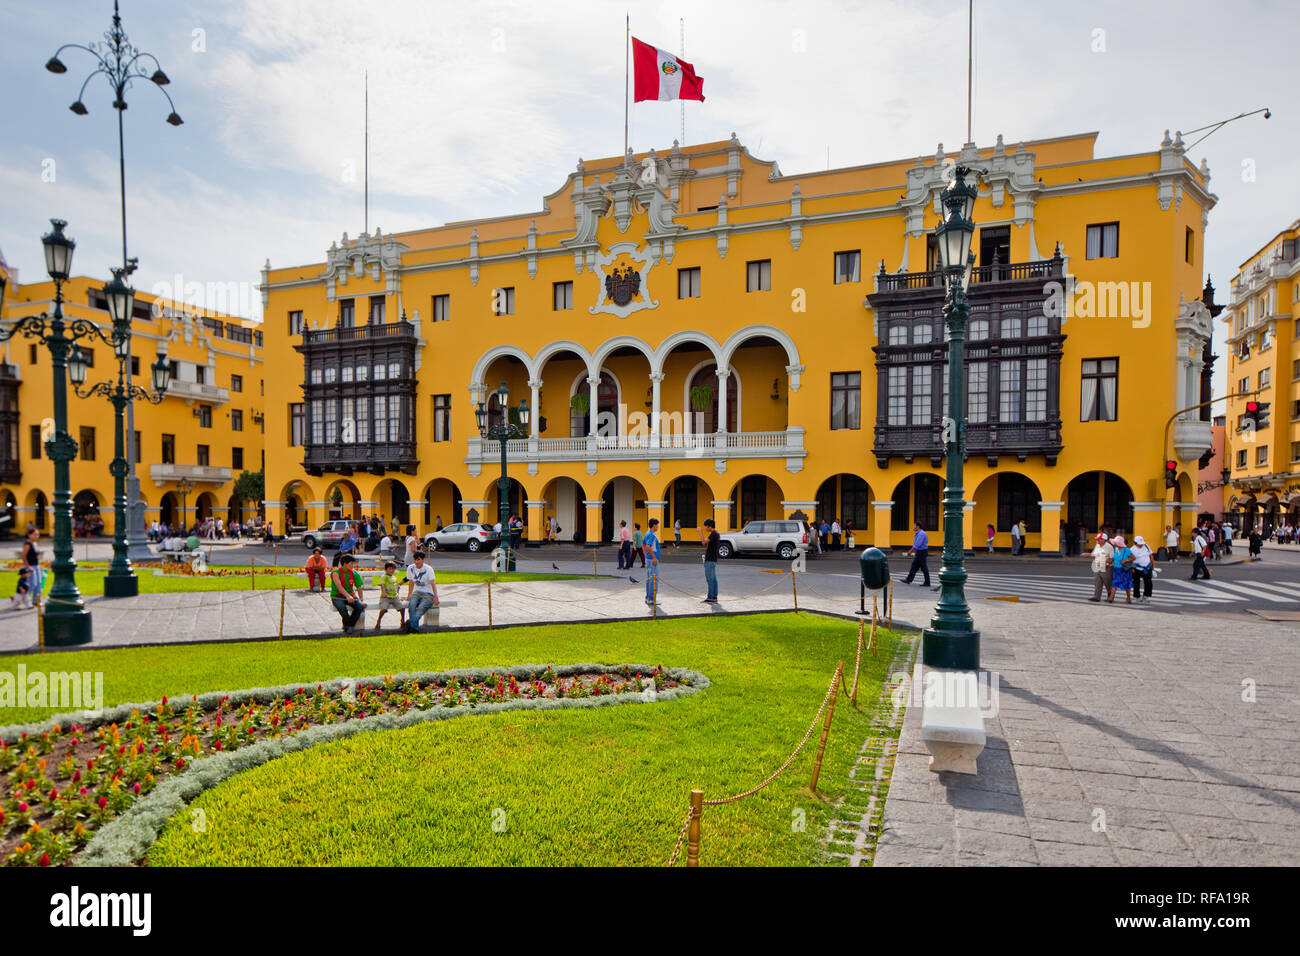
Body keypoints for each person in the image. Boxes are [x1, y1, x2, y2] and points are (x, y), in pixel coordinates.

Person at [330, 554, 366, 634]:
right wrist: (348, 596)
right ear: (345, 564)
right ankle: (349, 625)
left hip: (351, 595)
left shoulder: (354, 573)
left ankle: (349, 626)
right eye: (351, 563)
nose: (353, 565)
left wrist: (361, 600)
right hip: (337, 596)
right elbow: (339, 587)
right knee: (342, 607)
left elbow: (359, 587)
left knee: (360, 607)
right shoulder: (335, 573)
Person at [404, 551, 440, 633]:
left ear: (423, 560)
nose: (416, 562)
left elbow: (433, 583)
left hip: (428, 594)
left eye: (418, 560)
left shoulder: (429, 569)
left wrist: (436, 596)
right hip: (416, 593)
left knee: (420, 609)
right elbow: (411, 582)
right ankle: (415, 628)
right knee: (411, 606)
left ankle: (410, 624)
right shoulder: (410, 568)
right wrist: (409, 595)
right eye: (415, 560)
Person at [374, 561, 406, 630]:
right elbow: (382, 584)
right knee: (384, 609)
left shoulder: (394, 578)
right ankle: (378, 621)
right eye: (390, 569)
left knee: (402, 608)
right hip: (386, 597)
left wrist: (397, 592)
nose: (391, 570)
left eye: (393, 569)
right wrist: (384, 592)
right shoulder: (384, 576)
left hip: (394, 597)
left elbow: (395, 586)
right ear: (386, 569)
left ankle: (402, 621)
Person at [902, 522, 930, 587]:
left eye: (914, 526)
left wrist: (910, 551)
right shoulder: (919, 533)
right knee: (914, 566)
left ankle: (927, 582)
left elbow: (917, 544)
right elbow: (916, 544)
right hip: (920, 552)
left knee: (924, 568)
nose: (913, 527)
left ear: (918, 527)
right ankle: (908, 579)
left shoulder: (921, 534)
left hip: (922, 552)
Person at [1088, 532, 1114, 602]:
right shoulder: (1097, 545)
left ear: (1103, 540)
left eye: (1099, 539)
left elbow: (1111, 558)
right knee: (1097, 582)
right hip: (1097, 566)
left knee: (1108, 582)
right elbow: (1094, 554)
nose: (1097, 541)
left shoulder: (1109, 547)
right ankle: (1096, 596)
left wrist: (1106, 564)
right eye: (1097, 539)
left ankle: (1110, 597)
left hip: (1106, 567)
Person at [1109, 535, 1133, 604]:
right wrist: (1108, 561)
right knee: (1114, 583)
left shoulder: (1127, 550)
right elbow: (1113, 559)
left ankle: (1128, 598)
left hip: (1124, 570)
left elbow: (1133, 558)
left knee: (1126, 585)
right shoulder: (1115, 550)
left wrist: (1126, 560)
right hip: (1116, 569)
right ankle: (1111, 597)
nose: (1114, 544)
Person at [643, 517, 662, 605]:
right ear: (654, 525)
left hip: (648, 559)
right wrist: (654, 557)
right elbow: (647, 546)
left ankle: (648, 597)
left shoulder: (647, 533)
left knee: (649, 579)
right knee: (654, 580)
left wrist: (645, 555)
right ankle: (651, 598)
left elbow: (643, 545)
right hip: (652, 560)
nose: (658, 527)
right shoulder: (652, 535)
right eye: (657, 525)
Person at [20, 528, 43, 600]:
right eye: (35, 535)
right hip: (30, 567)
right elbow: (23, 555)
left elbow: (35, 556)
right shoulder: (27, 544)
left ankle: (36, 600)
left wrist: (39, 566)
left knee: (39, 584)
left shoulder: (35, 543)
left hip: (36, 566)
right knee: (33, 584)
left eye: (38, 535)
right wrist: (28, 566)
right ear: (29, 535)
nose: (37, 536)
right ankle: (21, 597)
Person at [701, 518, 720, 603]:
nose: (705, 528)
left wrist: (700, 532)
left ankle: (711, 597)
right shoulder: (715, 534)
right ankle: (714, 597)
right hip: (713, 559)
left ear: (709, 526)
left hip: (710, 560)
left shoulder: (713, 534)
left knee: (710, 579)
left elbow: (704, 543)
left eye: (706, 527)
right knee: (713, 579)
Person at [1131, 535, 1154, 604]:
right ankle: (1137, 596)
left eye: (1142, 544)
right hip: (1137, 568)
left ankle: (1146, 595)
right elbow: (1131, 559)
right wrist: (1132, 568)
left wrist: (1153, 566)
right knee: (1136, 583)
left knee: (1148, 582)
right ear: (1135, 543)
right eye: (1139, 544)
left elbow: (1151, 556)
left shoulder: (1146, 546)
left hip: (1147, 567)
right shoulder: (1132, 549)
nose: (1141, 545)